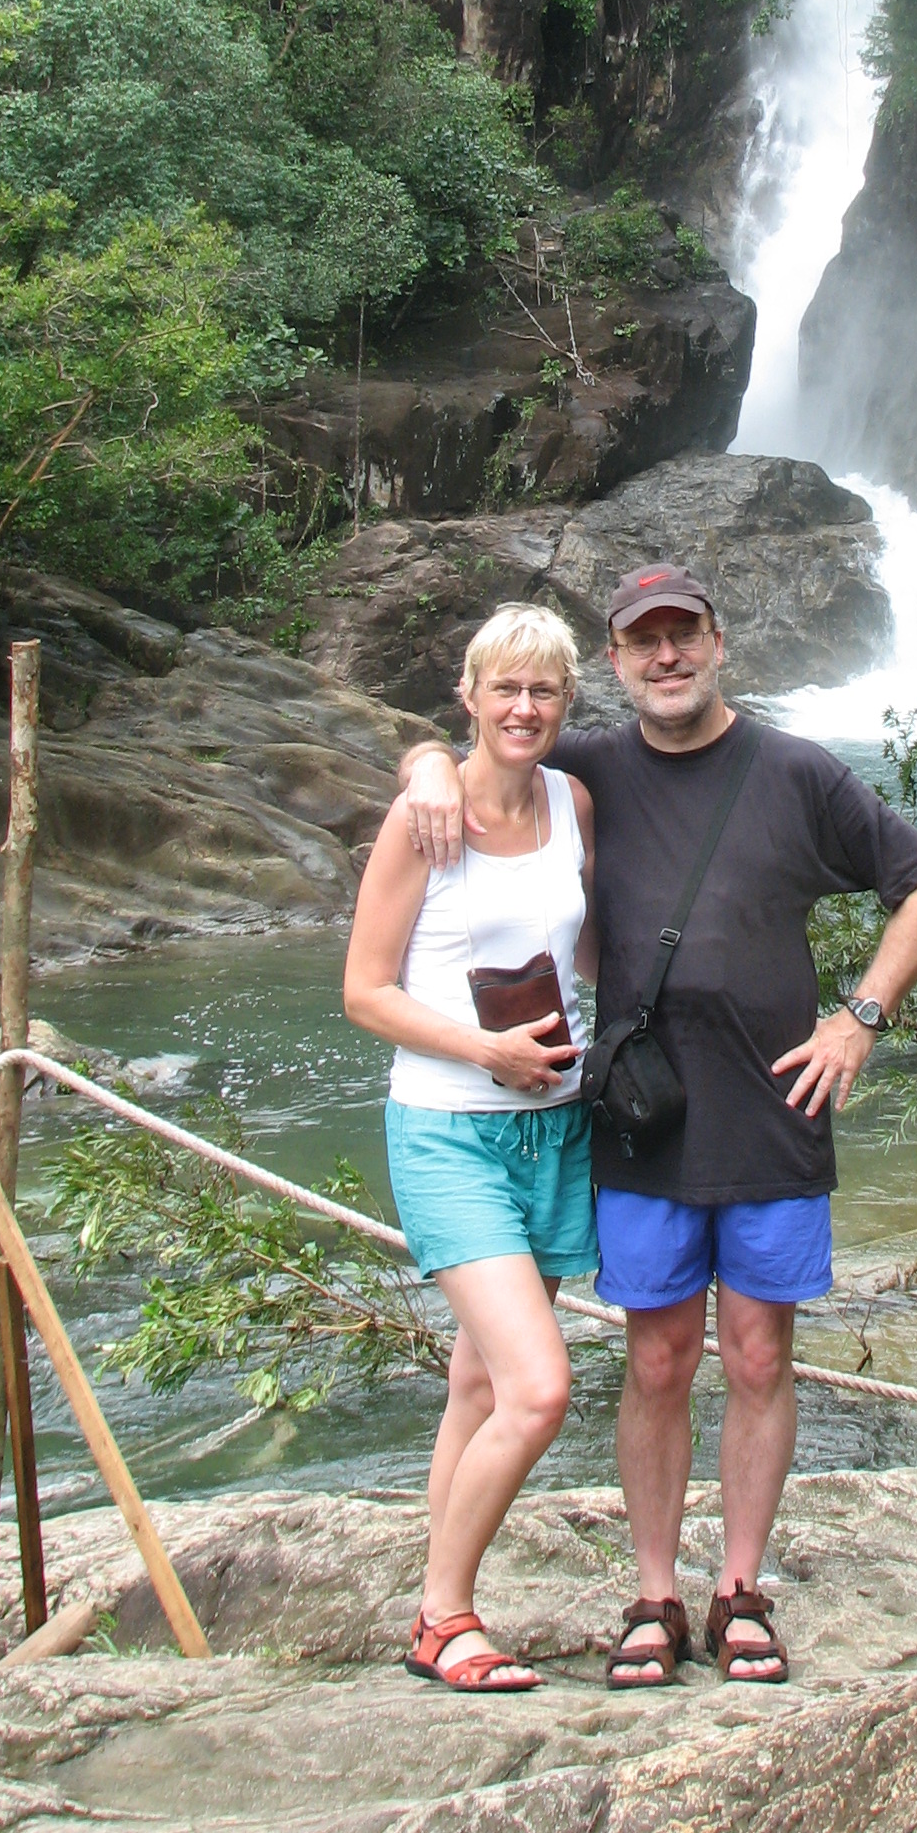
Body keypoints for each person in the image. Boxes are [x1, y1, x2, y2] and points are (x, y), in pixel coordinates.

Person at [398, 563, 917, 1688]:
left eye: (684, 634)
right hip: (643, 1118)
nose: (666, 656)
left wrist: (859, 1019)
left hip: (774, 1109)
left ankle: (739, 1589)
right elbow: (481, 744)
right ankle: (653, 1594)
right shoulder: (587, 770)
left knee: (758, 1354)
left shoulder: (796, 770)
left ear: (717, 642)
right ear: (616, 661)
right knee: (656, 1359)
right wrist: (422, 764)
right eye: (643, 640)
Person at [343, 602, 598, 1695]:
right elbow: (364, 992)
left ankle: (431, 1605)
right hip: (450, 1129)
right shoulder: (424, 817)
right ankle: (446, 1617)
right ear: (470, 695)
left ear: (568, 699)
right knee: (538, 1388)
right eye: (506, 687)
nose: (524, 707)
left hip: (558, 1125)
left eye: (543, 689)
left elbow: (593, 950)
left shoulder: (574, 801)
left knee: (480, 1381)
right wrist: (485, 1049)